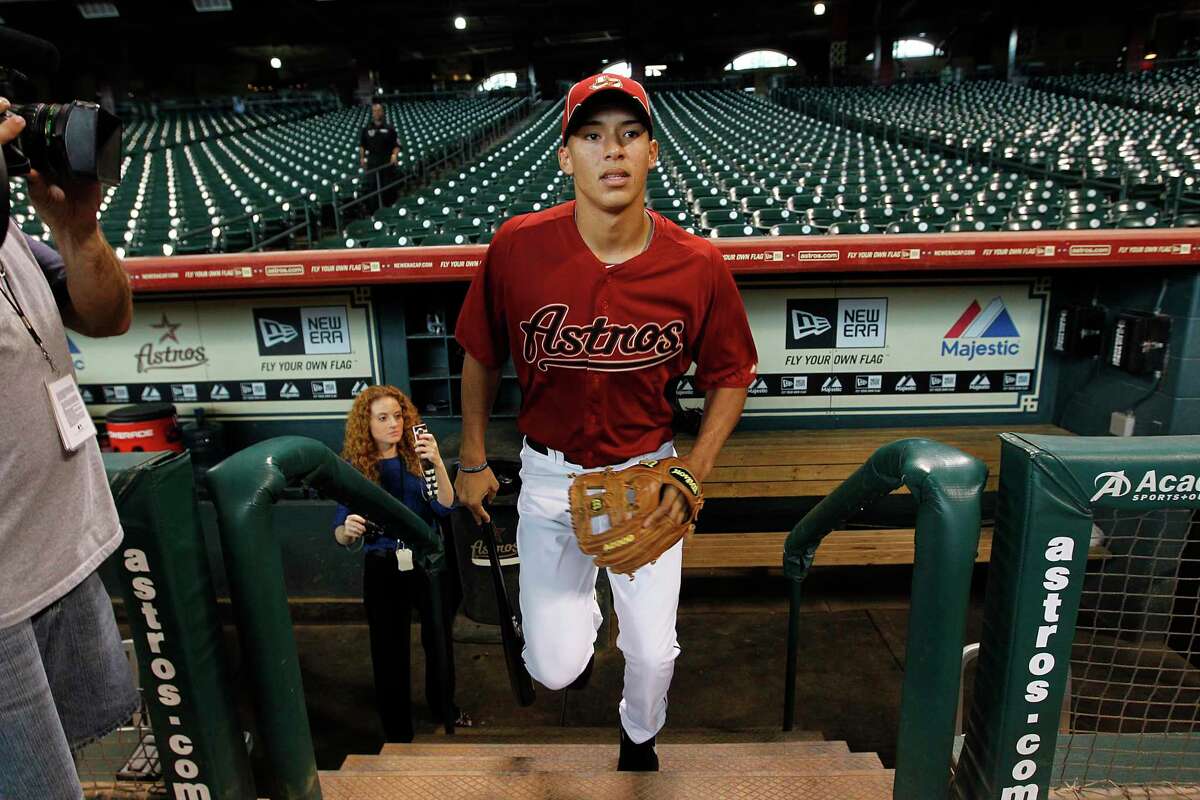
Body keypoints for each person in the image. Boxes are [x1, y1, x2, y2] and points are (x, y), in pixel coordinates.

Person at [453, 73, 758, 771]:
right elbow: (480, 353)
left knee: (652, 651)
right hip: (548, 480)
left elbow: (732, 373)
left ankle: (639, 738)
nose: (610, 151)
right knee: (555, 669)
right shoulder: (517, 246)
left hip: (647, 475)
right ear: (566, 157)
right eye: (591, 136)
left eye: (628, 135)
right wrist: (472, 459)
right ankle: (579, 620)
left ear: (653, 152)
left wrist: (692, 472)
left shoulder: (698, 263)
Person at [0, 97, 138, 799]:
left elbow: (106, 313)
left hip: (54, 555)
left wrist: (77, 227)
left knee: (69, 762)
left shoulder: (11, 233)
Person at [332, 385, 471, 741]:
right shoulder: (353, 469)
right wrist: (348, 531)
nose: (393, 424)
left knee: (439, 641)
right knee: (388, 648)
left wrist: (438, 462)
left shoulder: (418, 459)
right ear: (367, 424)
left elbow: (444, 506)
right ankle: (397, 729)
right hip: (382, 564)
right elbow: (339, 530)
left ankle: (444, 708)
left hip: (426, 562)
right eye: (383, 418)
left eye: (398, 416)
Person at [358, 101, 401, 211]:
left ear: (382, 112)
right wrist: (362, 158)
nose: (376, 113)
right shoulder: (367, 129)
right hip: (372, 163)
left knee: (388, 187)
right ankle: (375, 212)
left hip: (386, 163)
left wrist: (394, 155)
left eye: (379, 111)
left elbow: (396, 145)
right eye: (374, 111)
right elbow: (362, 145)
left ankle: (389, 210)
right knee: (373, 188)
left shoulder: (389, 128)